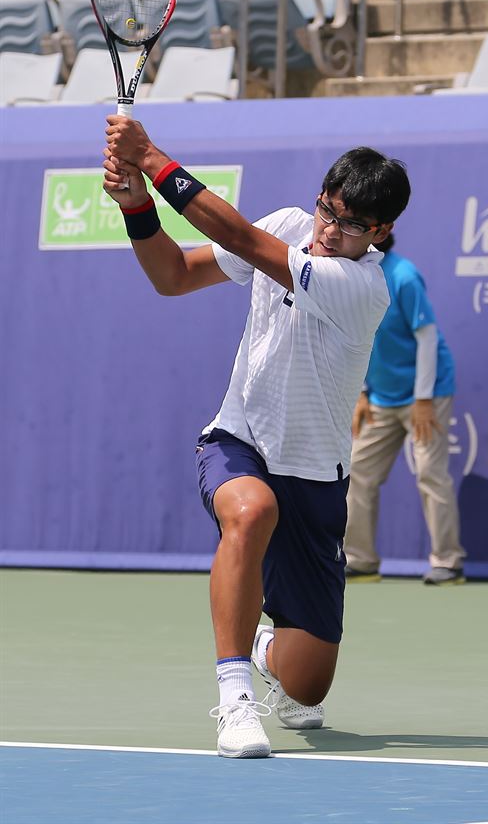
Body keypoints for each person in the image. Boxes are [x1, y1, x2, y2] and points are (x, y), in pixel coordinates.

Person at [102, 115, 411, 759]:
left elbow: (237, 235)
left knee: (307, 683)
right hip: (239, 440)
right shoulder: (290, 226)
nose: (330, 229)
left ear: (380, 232)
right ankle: (235, 699)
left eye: (350, 223)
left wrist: (151, 159)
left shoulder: (363, 286)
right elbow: (174, 276)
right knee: (251, 510)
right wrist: (136, 207)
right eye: (327, 209)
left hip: (317, 481)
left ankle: (267, 645)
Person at [344, 234, 465, 585]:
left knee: (430, 471)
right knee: (357, 471)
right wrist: (364, 391)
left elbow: (426, 337)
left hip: (426, 393)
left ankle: (448, 562)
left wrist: (423, 399)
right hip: (381, 395)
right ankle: (361, 560)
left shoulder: (404, 276)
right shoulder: (349, 276)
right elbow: (359, 338)